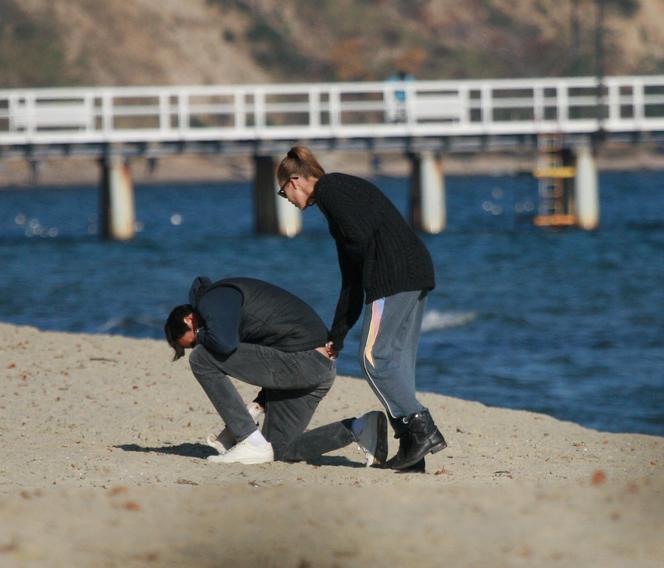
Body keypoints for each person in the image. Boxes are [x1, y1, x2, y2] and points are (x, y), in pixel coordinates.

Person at [276, 146, 447, 472]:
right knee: (396, 361)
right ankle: (414, 451)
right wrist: (336, 335)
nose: (286, 200)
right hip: (415, 271)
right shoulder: (336, 196)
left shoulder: (333, 190)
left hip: (392, 277)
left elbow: (358, 247)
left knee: (374, 359)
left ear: (295, 180)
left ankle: (423, 430)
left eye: (283, 192)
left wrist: (359, 269)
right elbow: (351, 277)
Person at [164, 275, 388, 466]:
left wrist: (242, 428)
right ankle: (360, 427)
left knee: (201, 359)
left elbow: (224, 344)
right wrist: (258, 405)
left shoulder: (213, 299)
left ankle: (248, 439)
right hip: (316, 368)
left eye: (193, 339)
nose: (200, 341)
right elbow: (268, 356)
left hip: (303, 361)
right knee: (278, 449)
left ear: (189, 319)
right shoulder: (226, 309)